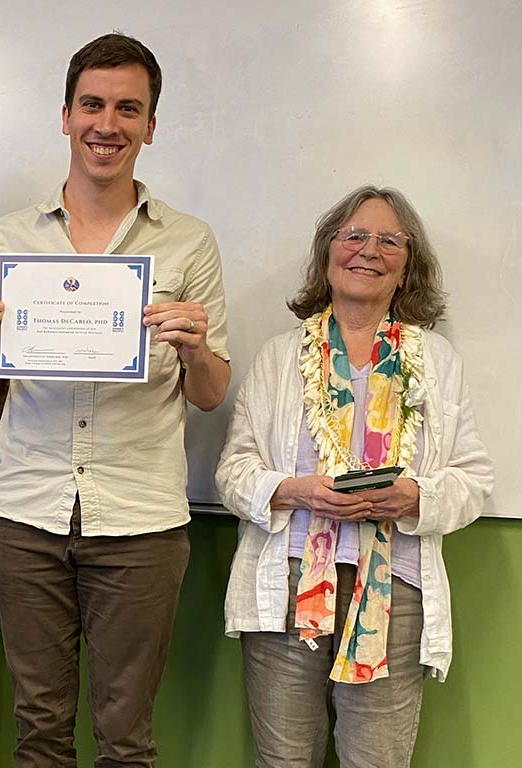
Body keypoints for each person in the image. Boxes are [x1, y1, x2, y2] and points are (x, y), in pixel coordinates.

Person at [0, 33, 231, 767]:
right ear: (67, 115)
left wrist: (195, 348)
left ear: (150, 125)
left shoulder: (189, 243)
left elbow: (210, 394)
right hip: (25, 513)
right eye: (94, 105)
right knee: (38, 729)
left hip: (140, 518)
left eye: (128, 109)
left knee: (125, 737)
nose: (109, 124)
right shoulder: (9, 238)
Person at [215, 185, 494, 768]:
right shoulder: (278, 356)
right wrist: (298, 491)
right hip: (290, 587)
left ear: (406, 267)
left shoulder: (436, 361)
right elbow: (233, 472)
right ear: (327, 254)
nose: (370, 250)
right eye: (354, 236)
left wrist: (413, 496)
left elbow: (473, 480)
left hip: (396, 590)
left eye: (389, 240)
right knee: (285, 760)